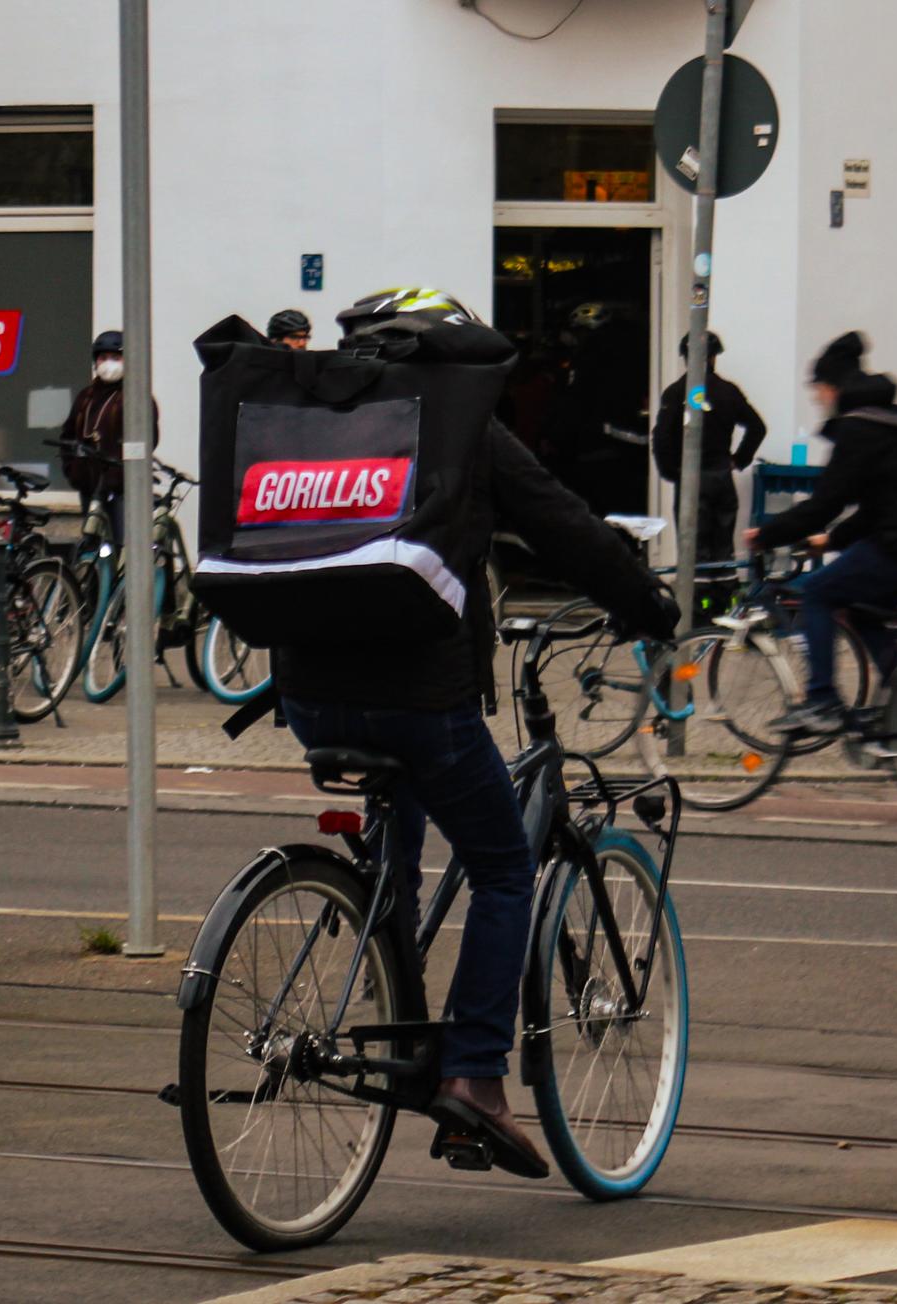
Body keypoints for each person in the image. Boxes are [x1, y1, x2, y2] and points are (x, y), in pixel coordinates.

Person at [273, 287, 679, 1179]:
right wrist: (647, 603)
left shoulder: (318, 425)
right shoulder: (458, 427)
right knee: (502, 868)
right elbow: (565, 524)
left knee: (401, 838)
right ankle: (474, 1080)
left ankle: (394, 994)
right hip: (419, 703)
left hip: (308, 695)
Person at [744, 331, 897, 734]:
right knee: (862, 609)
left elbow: (825, 504)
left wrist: (766, 535)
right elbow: (880, 504)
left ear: (832, 388)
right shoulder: (892, 418)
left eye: (818, 391)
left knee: (817, 592)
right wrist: (832, 541)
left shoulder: (858, 429)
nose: (817, 400)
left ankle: (822, 701)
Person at [652, 331, 766, 562]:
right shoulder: (729, 391)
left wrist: (672, 472)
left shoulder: (676, 393)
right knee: (723, 548)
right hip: (722, 477)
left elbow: (661, 437)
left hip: (690, 478)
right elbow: (757, 427)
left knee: (693, 550)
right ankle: (723, 594)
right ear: (714, 357)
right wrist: (737, 459)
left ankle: (697, 596)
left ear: (685, 356)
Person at [60, 329, 158, 536]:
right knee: (92, 539)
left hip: (121, 488)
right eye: (103, 357)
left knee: (123, 540)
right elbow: (67, 435)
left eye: (115, 358)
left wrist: (122, 469)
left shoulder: (136, 397)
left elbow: (149, 439)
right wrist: (72, 469)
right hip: (89, 485)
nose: (108, 363)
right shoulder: (85, 397)